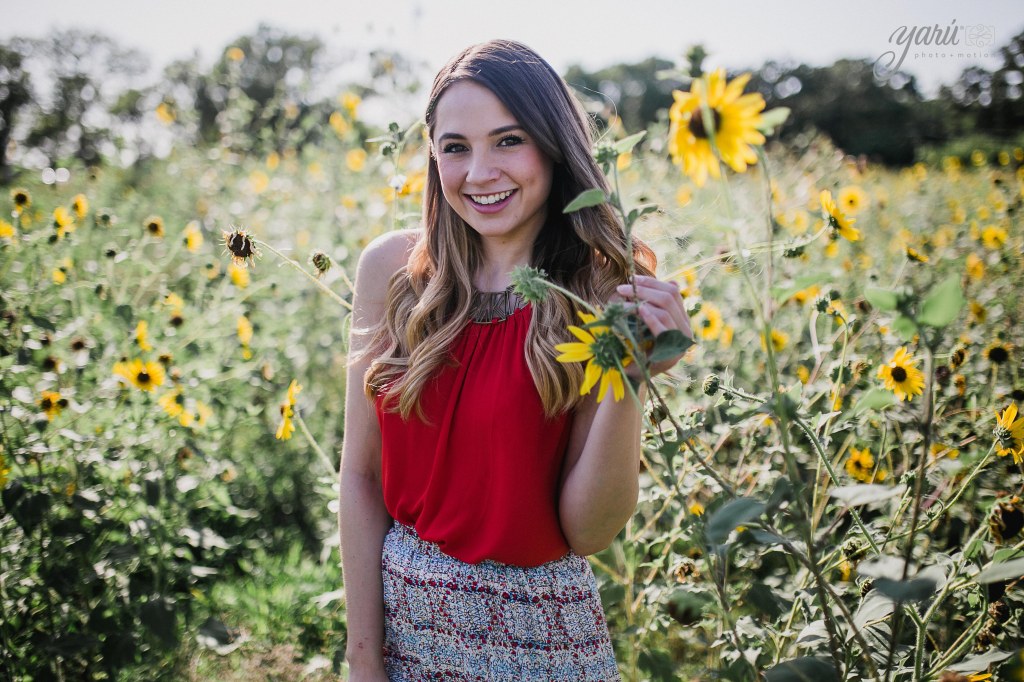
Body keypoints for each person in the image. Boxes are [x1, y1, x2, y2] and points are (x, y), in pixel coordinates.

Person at [339, 39, 693, 681]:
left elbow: (588, 531)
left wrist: (628, 380)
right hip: (403, 631)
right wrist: (363, 662)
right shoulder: (392, 272)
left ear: (555, 147)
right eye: (456, 147)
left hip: (543, 639)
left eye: (508, 140)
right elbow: (361, 480)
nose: (479, 172)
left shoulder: (600, 289)